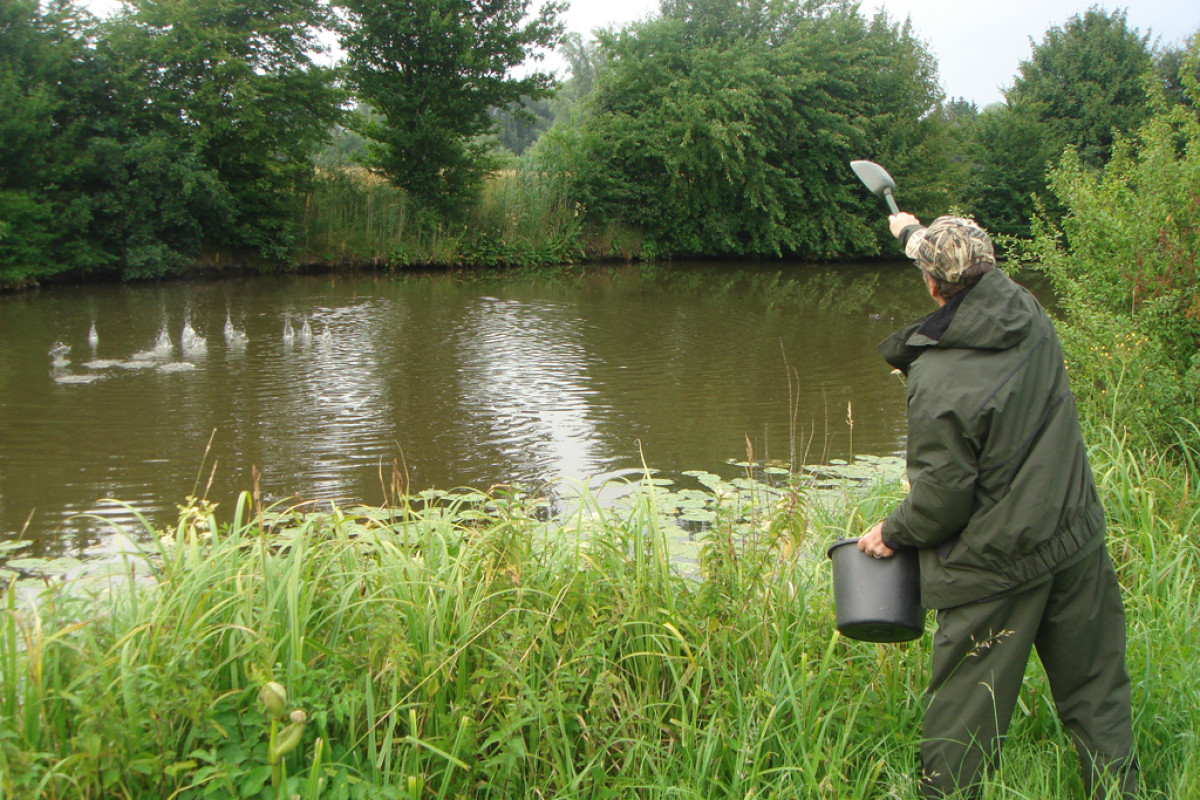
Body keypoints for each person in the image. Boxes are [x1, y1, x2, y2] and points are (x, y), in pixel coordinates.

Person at [856, 212, 1137, 799]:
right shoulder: (1028, 313)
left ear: (934, 287)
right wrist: (912, 234)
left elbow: (940, 504)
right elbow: (961, 268)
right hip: (1072, 536)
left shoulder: (936, 376)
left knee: (964, 720)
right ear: (987, 268)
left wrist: (894, 531)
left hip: (995, 564)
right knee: (1096, 691)